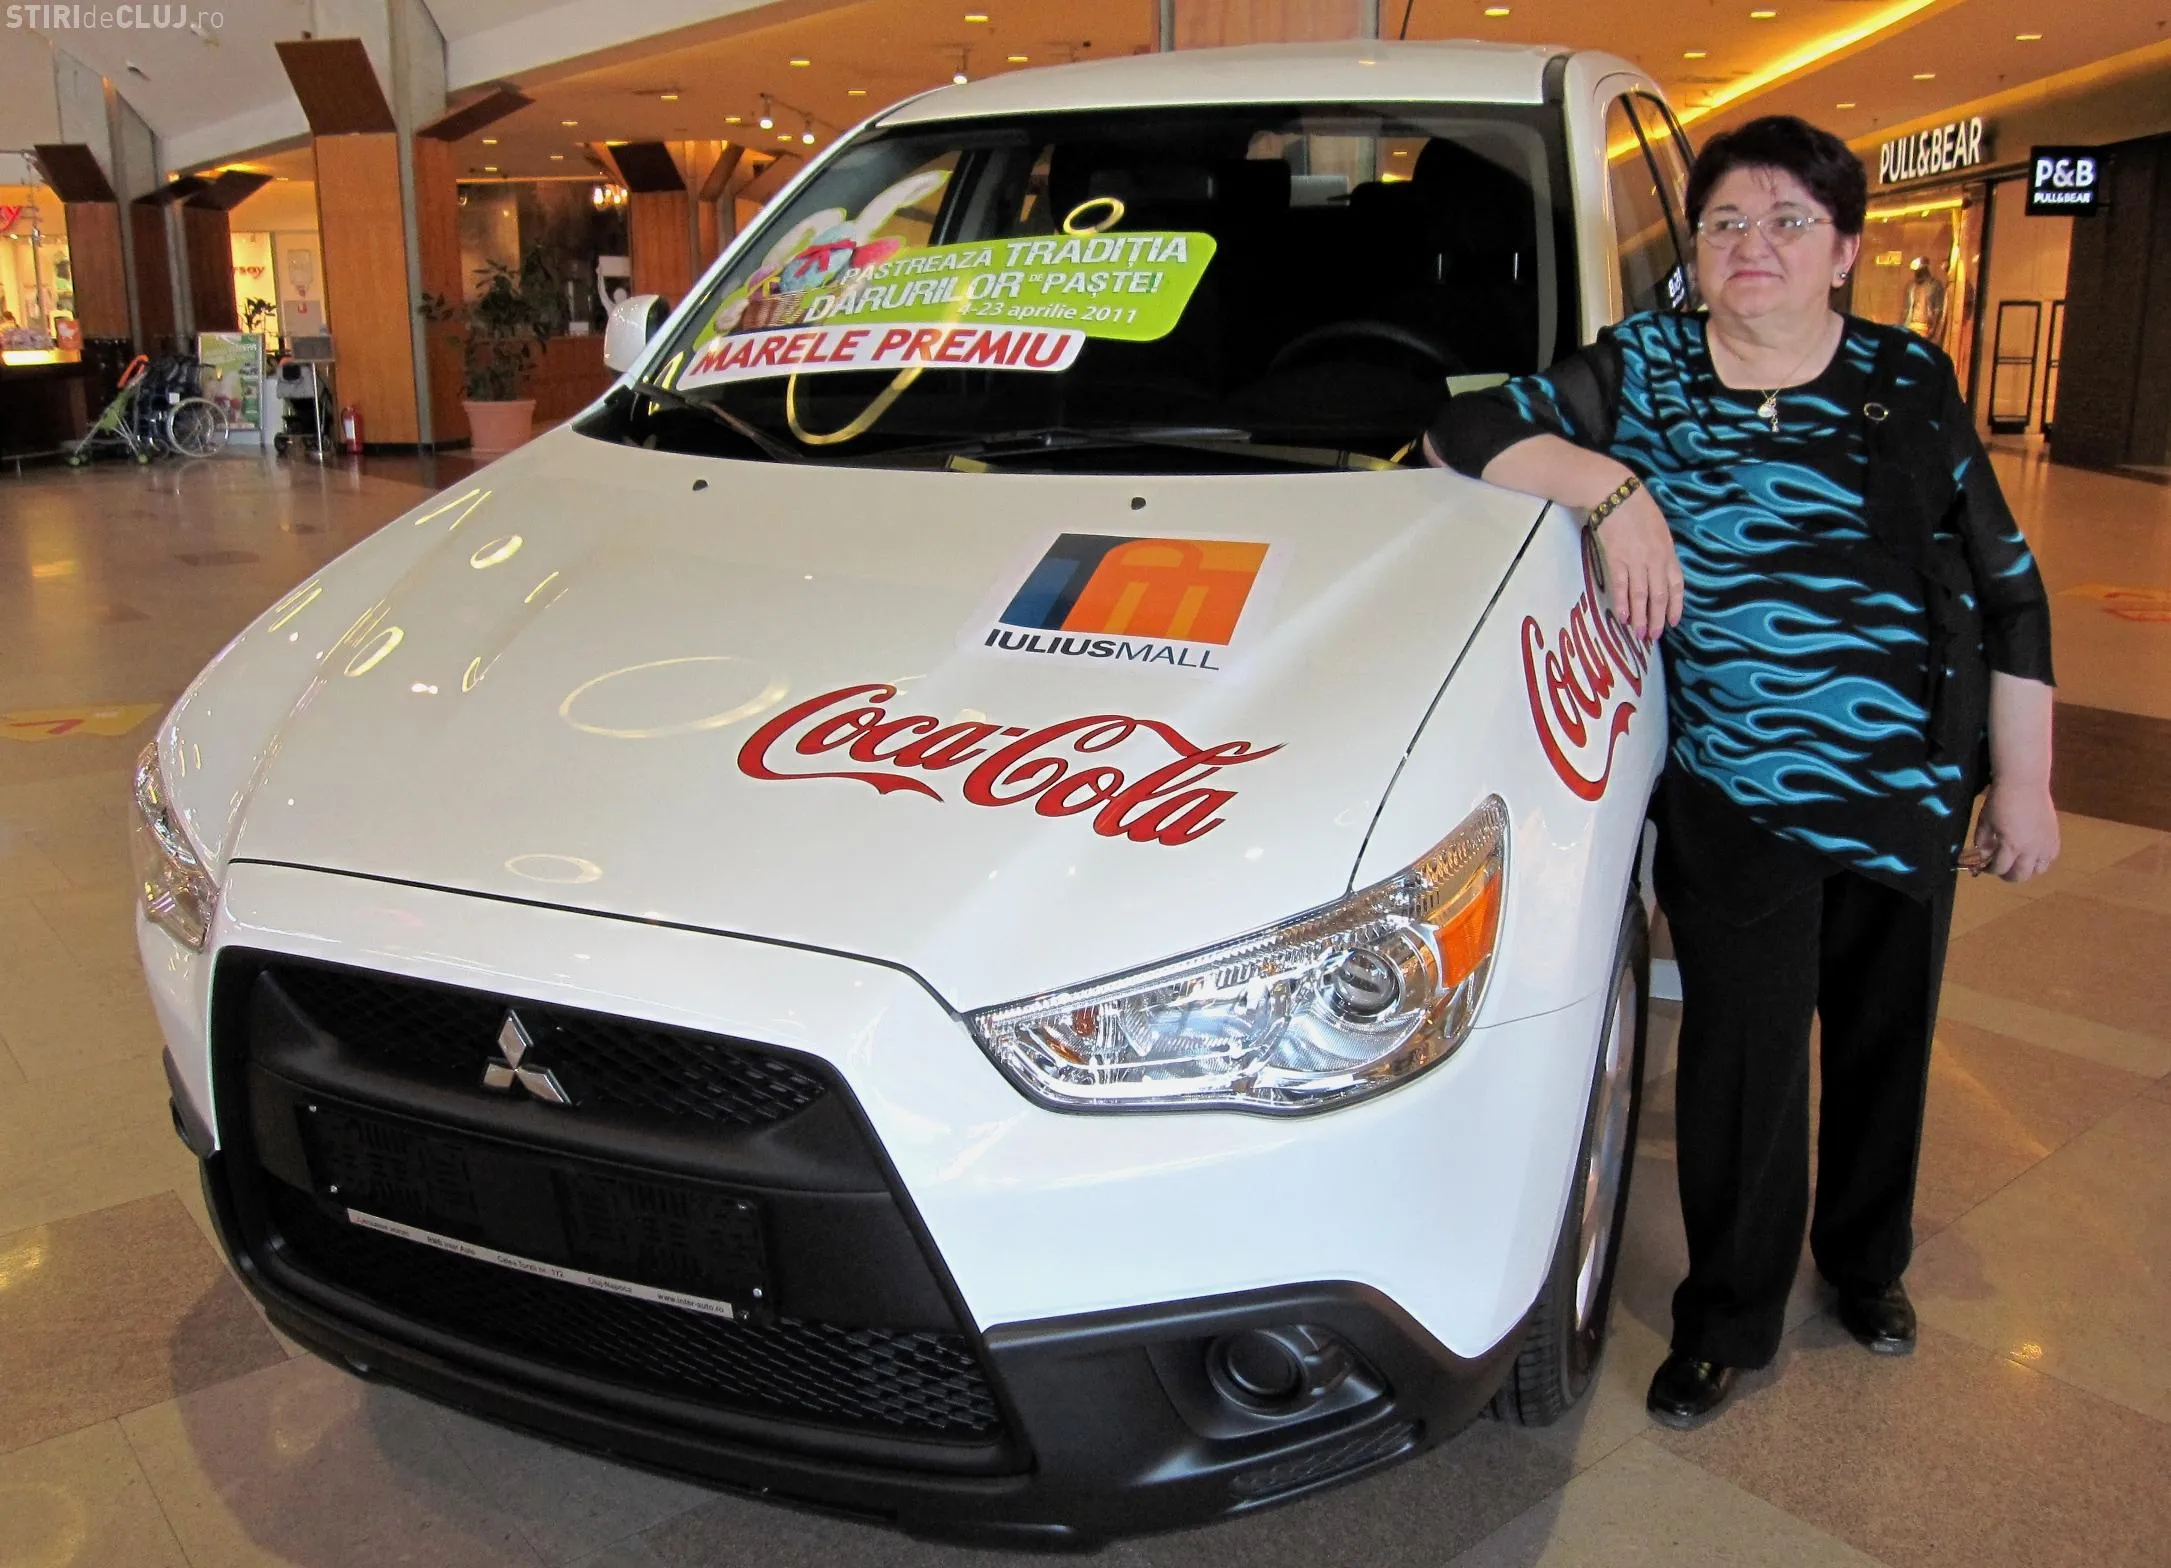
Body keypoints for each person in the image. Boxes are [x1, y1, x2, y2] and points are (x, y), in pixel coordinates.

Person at [1427, 115, 2057, 1427]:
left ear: (1843, 250)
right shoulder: (1648, 367)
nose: (1751, 244)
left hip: (1903, 781)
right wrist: (1612, 490)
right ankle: (1727, 1319)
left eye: (1787, 222)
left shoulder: (1904, 376)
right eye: (1724, 221)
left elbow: (2008, 580)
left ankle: (1867, 1268)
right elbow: (1461, 430)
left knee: (1884, 1041)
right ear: (1696, 247)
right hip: (1735, 787)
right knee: (1741, 1060)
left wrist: (2026, 780)